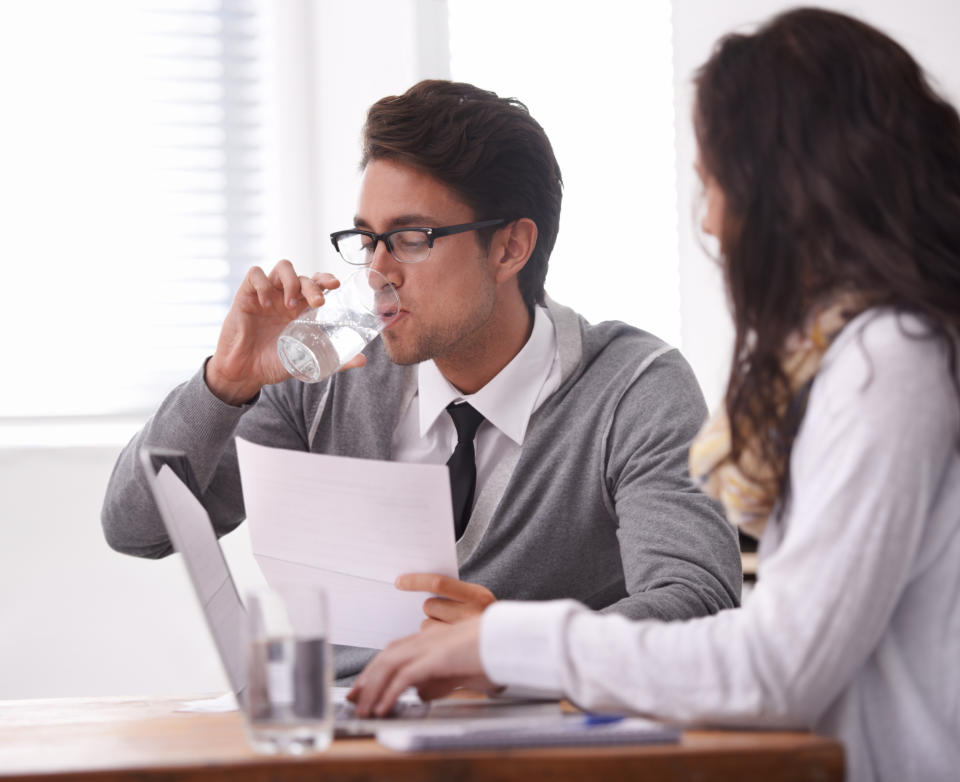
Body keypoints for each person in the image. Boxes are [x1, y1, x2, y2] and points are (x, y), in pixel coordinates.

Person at [346, 10, 960, 782]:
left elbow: (776, 663)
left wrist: (501, 642)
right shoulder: (867, 355)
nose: (708, 219)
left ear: (790, 190)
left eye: (715, 185)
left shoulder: (890, 359)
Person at [101, 80, 741, 681]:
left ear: (511, 248)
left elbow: (700, 605)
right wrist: (227, 382)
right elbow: (137, 529)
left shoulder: (633, 388)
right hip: (345, 746)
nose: (378, 271)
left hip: (537, 751)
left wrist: (511, 649)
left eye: (410, 238)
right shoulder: (326, 372)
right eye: (366, 238)